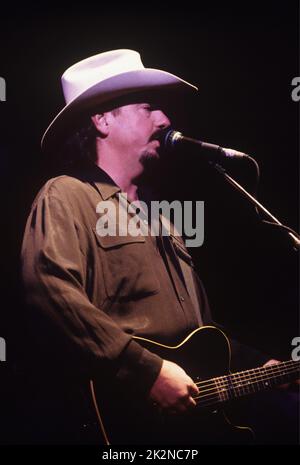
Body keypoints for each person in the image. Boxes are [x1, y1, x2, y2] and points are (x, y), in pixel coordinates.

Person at [20, 49, 295, 445]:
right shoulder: (67, 195)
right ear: (102, 120)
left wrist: (264, 366)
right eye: (148, 107)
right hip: (117, 422)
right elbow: (47, 292)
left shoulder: (162, 217)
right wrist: (146, 371)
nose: (165, 120)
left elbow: (200, 334)